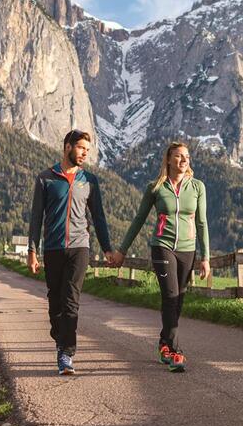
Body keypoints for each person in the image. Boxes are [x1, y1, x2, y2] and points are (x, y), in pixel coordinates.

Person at [110, 141, 210, 373]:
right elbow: (138, 220)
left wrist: (205, 257)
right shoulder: (156, 188)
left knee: (179, 299)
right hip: (162, 246)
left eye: (186, 156)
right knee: (171, 294)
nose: (183, 160)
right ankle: (175, 352)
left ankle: (164, 342)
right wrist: (122, 251)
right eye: (178, 156)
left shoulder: (197, 187)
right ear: (168, 160)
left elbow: (202, 222)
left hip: (187, 249)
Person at [28, 129, 115, 375]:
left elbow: (98, 217)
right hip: (53, 248)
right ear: (67, 147)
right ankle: (60, 336)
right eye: (80, 149)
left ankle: (67, 353)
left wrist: (107, 248)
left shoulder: (89, 181)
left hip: (80, 247)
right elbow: (36, 217)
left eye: (87, 151)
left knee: (70, 300)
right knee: (55, 300)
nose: (84, 154)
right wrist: (32, 250)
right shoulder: (46, 178)